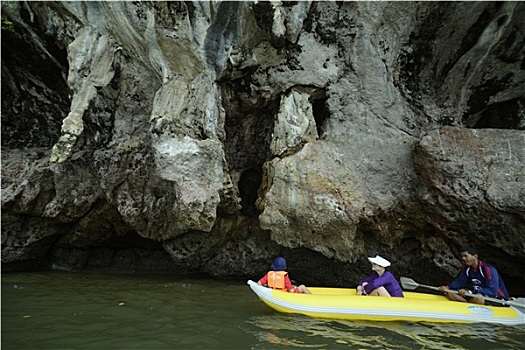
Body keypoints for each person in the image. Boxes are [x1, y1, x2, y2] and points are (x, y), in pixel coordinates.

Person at [438, 245, 509, 305]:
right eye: (462, 256)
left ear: (475, 256)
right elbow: (460, 282)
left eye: (466, 256)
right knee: (449, 293)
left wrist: (470, 292)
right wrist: (446, 287)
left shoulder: (488, 269)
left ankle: (467, 305)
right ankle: (467, 305)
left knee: (478, 298)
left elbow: (492, 291)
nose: (463, 258)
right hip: (476, 295)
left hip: (498, 298)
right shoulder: (467, 269)